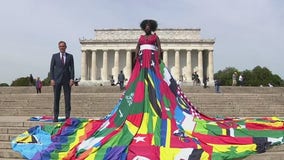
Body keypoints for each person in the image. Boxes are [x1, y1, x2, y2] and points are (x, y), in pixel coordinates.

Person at [12, 20, 284, 160]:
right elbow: (135, 52)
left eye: (148, 28)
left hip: (154, 73)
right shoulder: (141, 40)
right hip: (141, 74)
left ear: (151, 29)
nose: (147, 30)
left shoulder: (155, 39)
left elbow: (160, 52)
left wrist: (158, 65)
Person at [50, 41, 74, 122]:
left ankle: (67, 117)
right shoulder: (55, 56)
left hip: (67, 80)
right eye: (60, 46)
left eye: (63, 46)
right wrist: (52, 79)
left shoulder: (70, 56)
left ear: (66, 47)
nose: (62, 47)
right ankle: (55, 117)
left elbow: (72, 68)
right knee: (56, 99)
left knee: (67, 99)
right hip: (57, 80)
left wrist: (72, 78)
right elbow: (51, 68)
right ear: (58, 47)